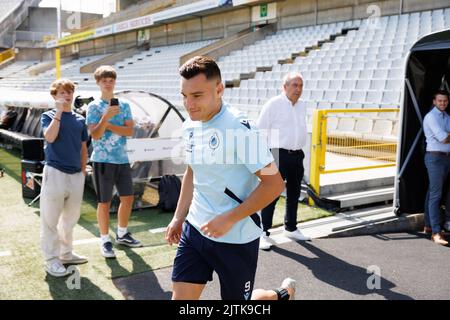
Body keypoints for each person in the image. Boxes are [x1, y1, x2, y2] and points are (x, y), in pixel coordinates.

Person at [165, 56, 296, 300]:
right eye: (184, 96)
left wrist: (228, 219)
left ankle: (279, 295)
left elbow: (274, 184)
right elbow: (192, 171)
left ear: (219, 89)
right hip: (195, 230)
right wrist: (178, 217)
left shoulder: (240, 129)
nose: (188, 104)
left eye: (197, 96)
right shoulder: (189, 126)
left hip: (236, 238)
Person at [86, 65, 142, 258]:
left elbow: (129, 131)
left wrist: (108, 124)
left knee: (128, 198)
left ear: (114, 82)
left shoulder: (124, 105)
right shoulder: (93, 106)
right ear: (98, 83)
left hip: (122, 159)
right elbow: (95, 134)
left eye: (111, 80)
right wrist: (106, 118)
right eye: (104, 81)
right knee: (104, 202)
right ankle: (104, 240)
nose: (108, 84)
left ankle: (122, 234)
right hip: (102, 160)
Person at [256, 72, 311, 251]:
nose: (298, 89)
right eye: (294, 85)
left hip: (296, 155)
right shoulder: (273, 104)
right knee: (269, 194)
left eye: (301, 85)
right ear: (284, 86)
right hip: (276, 154)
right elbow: (261, 130)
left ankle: (291, 228)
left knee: (294, 193)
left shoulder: (302, 105)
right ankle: (262, 233)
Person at [40, 78, 88, 277]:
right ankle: (51, 260)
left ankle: (66, 254)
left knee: (70, 218)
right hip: (55, 172)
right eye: (62, 93)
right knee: (50, 219)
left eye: (69, 92)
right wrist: (59, 112)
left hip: (76, 175)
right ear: (54, 96)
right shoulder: (48, 115)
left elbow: (83, 147)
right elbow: (49, 137)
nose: (67, 96)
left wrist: (83, 172)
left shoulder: (80, 119)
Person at [423, 89, 450, 246]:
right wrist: (447, 135)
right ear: (434, 101)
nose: (442, 103)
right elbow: (443, 138)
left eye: (445, 101)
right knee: (435, 194)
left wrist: (447, 135)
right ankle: (435, 232)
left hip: (446, 158)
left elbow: (447, 138)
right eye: (440, 101)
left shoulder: (447, 117)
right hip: (435, 158)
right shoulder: (431, 117)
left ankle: (428, 225)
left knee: (433, 192)